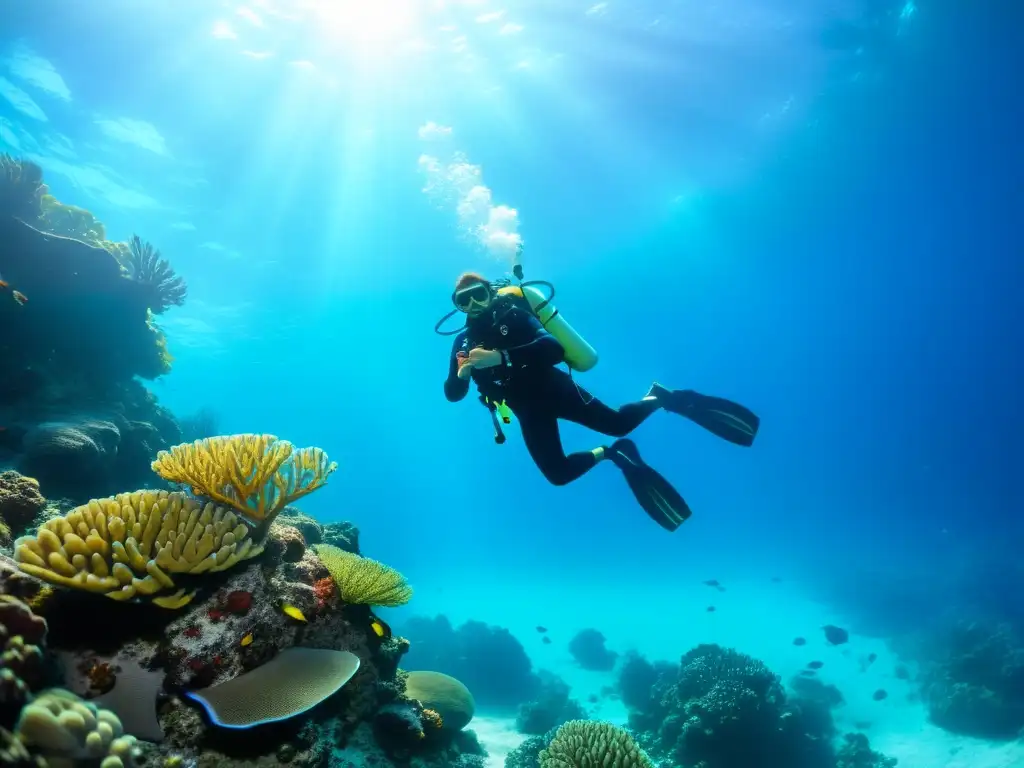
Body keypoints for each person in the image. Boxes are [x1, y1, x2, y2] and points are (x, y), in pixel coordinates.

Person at [441, 271, 760, 531]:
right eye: (463, 300)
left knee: (618, 423)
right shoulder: (463, 342)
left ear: (490, 292)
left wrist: (500, 357)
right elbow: (453, 394)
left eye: (478, 294)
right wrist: (463, 375)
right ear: (457, 305)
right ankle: (611, 453)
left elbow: (551, 347)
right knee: (558, 474)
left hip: (555, 389)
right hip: (526, 410)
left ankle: (659, 397)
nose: (473, 304)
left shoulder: (511, 314)